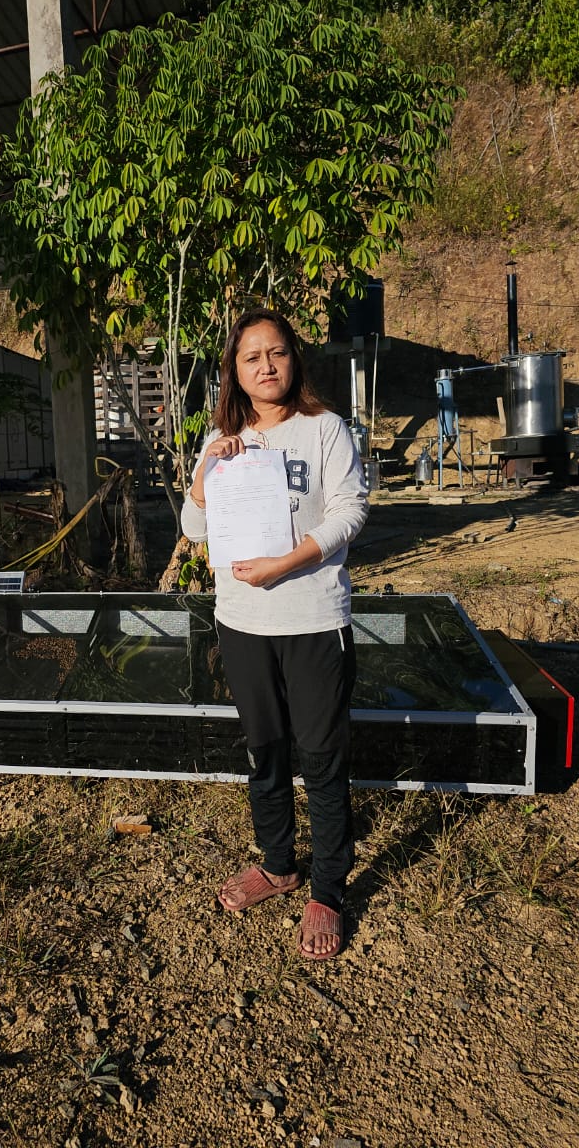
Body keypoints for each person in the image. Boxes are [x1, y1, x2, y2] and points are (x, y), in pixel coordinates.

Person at [181, 308, 368, 960]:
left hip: (313, 618)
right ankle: (279, 863)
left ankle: (327, 890)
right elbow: (197, 528)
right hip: (241, 622)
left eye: (277, 353)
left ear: (295, 360)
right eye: (251, 356)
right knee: (264, 750)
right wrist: (206, 474)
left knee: (320, 757)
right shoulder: (222, 437)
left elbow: (350, 513)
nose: (265, 365)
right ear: (234, 370)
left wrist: (288, 563)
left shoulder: (325, 430)